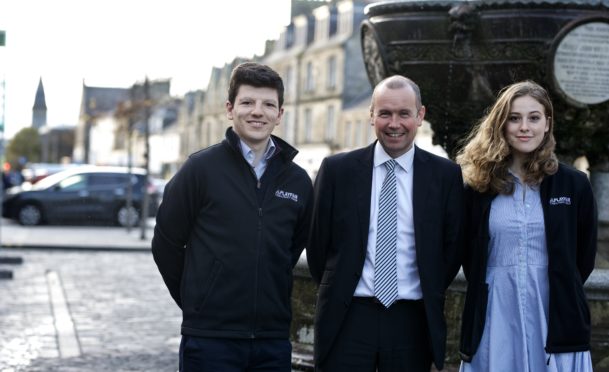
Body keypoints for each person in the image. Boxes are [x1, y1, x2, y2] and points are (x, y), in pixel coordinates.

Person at [152, 62, 313, 372]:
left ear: (279, 114)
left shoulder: (298, 182)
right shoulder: (199, 170)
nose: (258, 112)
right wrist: (197, 302)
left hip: (272, 340)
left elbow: (290, 250)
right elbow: (166, 244)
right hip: (211, 340)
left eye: (268, 104)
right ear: (230, 108)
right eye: (247, 102)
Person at [307, 75, 465, 371]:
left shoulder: (445, 177)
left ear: (420, 116)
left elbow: (452, 249)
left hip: (412, 322)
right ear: (371, 116)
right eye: (385, 113)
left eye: (404, 113)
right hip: (347, 319)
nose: (394, 123)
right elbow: (317, 247)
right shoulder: (336, 171)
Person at [457, 80, 597, 371]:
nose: (524, 127)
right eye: (514, 118)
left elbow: (583, 256)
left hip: (555, 310)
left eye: (534, 118)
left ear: (547, 124)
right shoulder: (478, 187)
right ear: (501, 125)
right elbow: (469, 255)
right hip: (495, 312)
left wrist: (554, 284)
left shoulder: (574, 184)